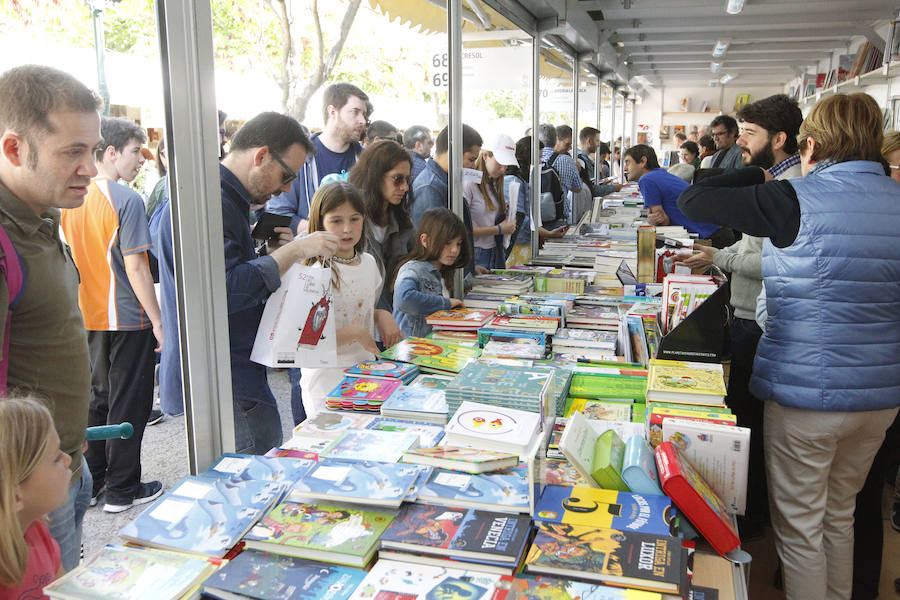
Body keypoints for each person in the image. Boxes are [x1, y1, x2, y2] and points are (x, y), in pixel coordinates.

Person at [678, 93, 900, 600]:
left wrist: (764, 176)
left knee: (800, 527)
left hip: (808, 392)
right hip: (881, 396)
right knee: (840, 514)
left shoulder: (795, 198)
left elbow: (694, 199)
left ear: (811, 145)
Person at [678, 93, 803, 541]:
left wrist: (718, 257)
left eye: (749, 134)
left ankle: (751, 523)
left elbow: (764, 260)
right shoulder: (779, 184)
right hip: (755, 313)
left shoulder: (784, 192)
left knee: (750, 422)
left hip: (761, 319)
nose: (741, 144)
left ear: (781, 138)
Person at [0, 64, 99, 571]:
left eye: (93, 150)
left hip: (64, 471)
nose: (91, 168)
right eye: (73, 152)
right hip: (26, 497)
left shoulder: (42, 216)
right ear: (15, 150)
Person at [218, 112, 340, 452]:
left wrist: (270, 252)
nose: (286, 189)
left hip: (240, 365)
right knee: (258, 454)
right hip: (228, 370)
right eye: (286, 176)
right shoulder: (215, 201)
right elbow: (226, 289)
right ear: (261, 156)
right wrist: (295, 250)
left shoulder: (229, 199)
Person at [60, 116, 163, 514]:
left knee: (97, 398)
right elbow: (137, 267)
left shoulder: (72, 198)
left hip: (86, 314)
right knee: (129, 403)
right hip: (125, 315)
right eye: (136, 152)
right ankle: (123, 488)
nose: (140, 160)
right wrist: (158, 321)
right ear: (111, 152)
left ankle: (96, 479)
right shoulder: (126, 199)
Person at [299, 181, 394, 417]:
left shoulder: (370, 263)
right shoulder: (314, 271)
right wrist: (354, 333)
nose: (346, 229)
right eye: (336, 221)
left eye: (354, 219)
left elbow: (356, 310)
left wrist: (381, 314)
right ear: (320, 222)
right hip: (326, 381)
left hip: (365, 374)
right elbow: (306, 340)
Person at [266, 82, 370, 233]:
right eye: (355, 112)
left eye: (364, 114)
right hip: (309, 253)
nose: (362, 120)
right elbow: (279, 213)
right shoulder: (299, 158)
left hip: (355, 253)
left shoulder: (365, 159)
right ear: (332, 111)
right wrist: (322, 232)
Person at [0, 397, 71, 598]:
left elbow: (67, 593)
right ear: (14, 497)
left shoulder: (37, 532)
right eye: (56, 457)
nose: (68, 459)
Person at [346, 140, 413, 329]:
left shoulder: (403, 221)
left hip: (396, 324)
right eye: (397, 178)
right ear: (375, 176)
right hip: (357, 326)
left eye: (407, 179)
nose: (405, 187)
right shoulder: (350, 216)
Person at [410, 124, 483, 276]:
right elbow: (431, 249)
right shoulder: (429, 188)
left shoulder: (447, 183)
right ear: (453, 151)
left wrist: (469, 268)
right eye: (471, 159)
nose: (472, 167)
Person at [623, 144, 730, 247]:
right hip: (719, 229)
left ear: (643, 161)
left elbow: (662, 220)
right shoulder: (660, 174)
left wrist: (648, 219)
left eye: (628, 163)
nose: (625, 169)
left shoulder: (647, 180)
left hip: (711, 237)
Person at [392, 208, 470, 338]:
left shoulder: (444, 272)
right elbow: (404, 299)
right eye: (447, 243)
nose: (455, 250)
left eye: (458, 244)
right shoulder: (412, 269)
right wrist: (447, 303)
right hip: (410, 352)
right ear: (425, 240)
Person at [504, 136, 568, 266]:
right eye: (538, 158)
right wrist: (547, 233)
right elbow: (522, 220)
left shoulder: (522, 180)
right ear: (528, 158)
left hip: (524, 243)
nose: (540, 163)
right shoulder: (514, 181)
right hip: (518, 246)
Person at [464, 134, 517, 269]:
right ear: (486, 155)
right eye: (500, 163)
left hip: (494, 251)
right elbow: (464, 229)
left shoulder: (493, 183)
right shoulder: (468, 183)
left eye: (507, 165)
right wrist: (499, 229)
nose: (503, 169)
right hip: (476, 252)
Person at [539, 124, 581, 222]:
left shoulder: (531, 158)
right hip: (557, 217)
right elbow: (578, 188)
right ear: (556, 139)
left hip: (535, 219)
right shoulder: (567, 160)